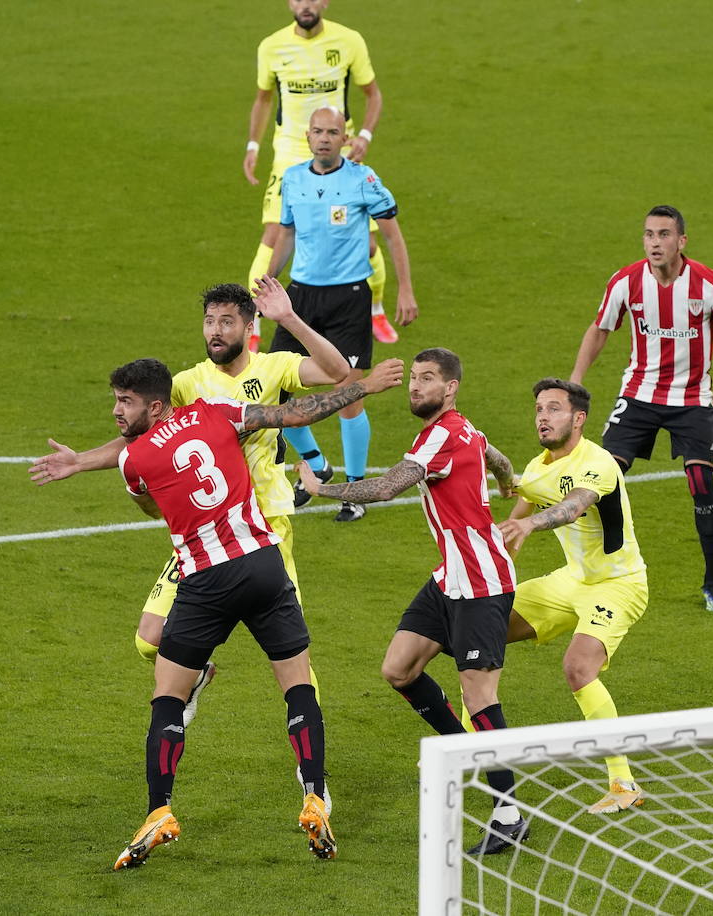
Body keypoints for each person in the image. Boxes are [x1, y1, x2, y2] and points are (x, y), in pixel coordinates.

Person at [89, 347, 404, 869]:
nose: (117, 413)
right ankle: (313, 796)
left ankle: (159, 811)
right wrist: (363, 388)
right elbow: (295, 415)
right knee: (298, 685)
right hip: (262, 565)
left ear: (157, 406)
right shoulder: (218, 411)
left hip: (204, 582)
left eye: (126, 403)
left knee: (168, 696)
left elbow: (150, 503)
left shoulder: (132, 460)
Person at [29, 278, 346, 755]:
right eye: (209, 321)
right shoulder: (187, 383)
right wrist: (81, 461)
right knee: (149, 640)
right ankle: (197, 676)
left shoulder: (275, 366)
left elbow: (337, 370)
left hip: (267, 531)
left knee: (295, 662)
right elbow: (142, 436)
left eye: (226, 322)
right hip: (205, 535)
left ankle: (312, 771)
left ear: (249, 325)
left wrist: (289, 318)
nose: (215, 331)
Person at [297, 348, 530, 856]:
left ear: (451, 389)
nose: (415, 387)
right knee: (399, 669)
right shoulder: (460, 429)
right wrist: (509, 483)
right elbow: (498, 458)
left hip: (482, 584)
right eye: (414, 379)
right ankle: (458, 747)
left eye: (428, 379)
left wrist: (320, 489)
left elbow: (383, 489)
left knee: (479, 696)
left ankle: (510, 812)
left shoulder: (441, 438)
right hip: (449, 578)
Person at [570, 205, 713, 613]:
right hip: (639, 395)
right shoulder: (626, 282)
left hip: (691, 400)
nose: (656, 242)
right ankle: (600, 570)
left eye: (664, 234)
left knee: (701, 485)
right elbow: (600, 329)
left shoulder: (707, 284)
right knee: (602, 477)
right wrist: (577, 379)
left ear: (681, 241)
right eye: (649, 234)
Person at [495, 378, 650, 814]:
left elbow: (572, 506)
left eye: (554, 409)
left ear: (578, 419)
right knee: (481, 633)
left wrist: (530, 525)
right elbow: (522, 495)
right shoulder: (540, 465)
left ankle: (624, 784)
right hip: (571, 580)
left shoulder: (598, 463)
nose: (543, 417)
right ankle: (471, 745)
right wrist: (509, 530)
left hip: (618, 585)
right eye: (539, 409)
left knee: (579, 668)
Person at [269, 105, 418, 522]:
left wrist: (404, 290)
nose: (324, 138)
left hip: (349, 300)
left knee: (349, 399)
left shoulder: (363, 180)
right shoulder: (293, 179)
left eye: (332, 132)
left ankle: (354, 492)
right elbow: (285, 234)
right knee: (274, 396)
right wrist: (265, 284)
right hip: (301, 299)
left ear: (344, 137)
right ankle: (317, 466)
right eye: (317, 131)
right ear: (308, 135)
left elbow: (393, 238)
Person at [244, 0, 399, 350]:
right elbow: (263, 98)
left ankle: (374, 308)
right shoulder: (272, 46)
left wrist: (364, 136)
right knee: (275, 232)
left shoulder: (349, 41)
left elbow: (372, 95)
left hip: (337, 144)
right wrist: (253, 145)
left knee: (369, 241)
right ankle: (252, 319)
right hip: (290, 149)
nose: (306, 5)